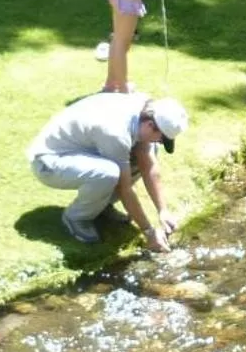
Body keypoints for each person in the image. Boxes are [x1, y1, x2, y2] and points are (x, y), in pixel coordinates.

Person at [27, 92, 189, 247]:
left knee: (147, 151)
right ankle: (76, 217)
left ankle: (102, 205)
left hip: (82, 148)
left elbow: (149, 165)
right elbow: (124, 188)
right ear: (150, 125)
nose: (160, 142)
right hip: (49, 161)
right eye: (161, 139)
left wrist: (163, 211)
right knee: (108, 173)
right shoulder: (116, 134)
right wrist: (149, 232)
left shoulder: (143, 111)